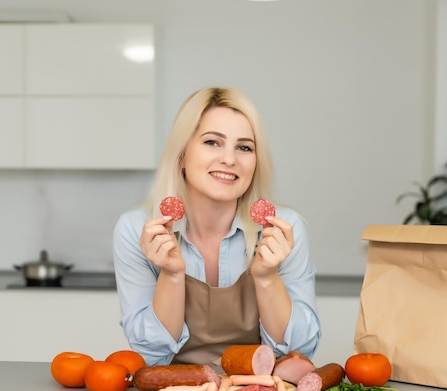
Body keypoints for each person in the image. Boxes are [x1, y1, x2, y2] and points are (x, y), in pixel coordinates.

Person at [112, 87, 321, 366]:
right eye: (212, 142)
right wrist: (171, 276)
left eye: (244, 147)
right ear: (182, 153)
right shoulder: (137, 229)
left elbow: (298, 354)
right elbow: (150, 355)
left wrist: (268, 278)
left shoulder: (281, 230)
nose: (229, 159)